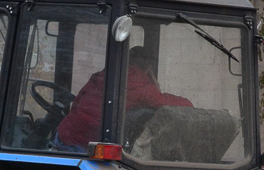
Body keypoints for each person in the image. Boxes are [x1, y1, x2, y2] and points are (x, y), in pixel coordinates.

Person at [55, 45, 192, 150]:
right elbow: (166, 102)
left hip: (65, 134)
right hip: (90, 143)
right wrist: (155, 86)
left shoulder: (102, 75)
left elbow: (77, 102)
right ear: (149, 68)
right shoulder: (141, 85)